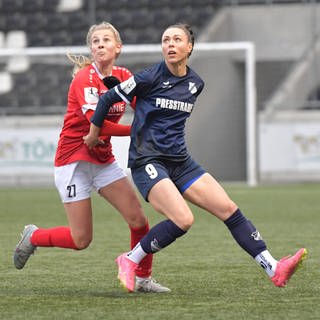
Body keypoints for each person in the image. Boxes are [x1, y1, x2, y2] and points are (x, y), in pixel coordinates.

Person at [83, 23, 307, 292]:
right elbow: (108, 98)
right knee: (183, 220)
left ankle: (273, 268)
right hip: (148, 161)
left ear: (189, 47)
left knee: (229, 210)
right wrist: (93, 135)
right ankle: (129, 260)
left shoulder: (195, 84)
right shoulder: (148, 77)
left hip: (180, 162)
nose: (170, 44)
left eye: (177, 39)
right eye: (165, 40)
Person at [13, 21, 170, 293]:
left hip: (102, 159)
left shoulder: (123, 75)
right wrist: (138, 130)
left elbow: (142, 106)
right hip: (73, 160)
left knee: (138, 220)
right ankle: (34, 236)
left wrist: (159, 111)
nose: (100, 45)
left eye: (106, 40)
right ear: (91, 48)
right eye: (95, 41)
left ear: (118, 47)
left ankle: (142, 277)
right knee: (81, 239)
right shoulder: (84, 78)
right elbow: (98, 124)